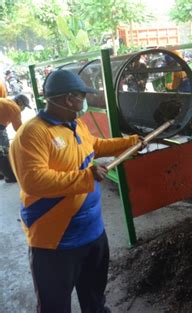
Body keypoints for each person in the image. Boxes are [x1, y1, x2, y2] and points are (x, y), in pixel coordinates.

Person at [9, 69, 144, 313]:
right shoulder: (33, 134)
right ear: (68, 98)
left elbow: (95, 145)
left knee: (94, 295)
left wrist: (129, 143)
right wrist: (86, 176)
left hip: (92, 231)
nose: (85, 101)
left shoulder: (75, 124)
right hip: (55, 241)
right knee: (55, 305)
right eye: (82, 96)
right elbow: (33, 181)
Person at [0, 94, 30, 182]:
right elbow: (19, 129)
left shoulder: (6, 101)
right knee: (3, 151)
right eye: (24, 106)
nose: (23, 109)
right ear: (20, 102)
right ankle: (10, 176)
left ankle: (1, 173)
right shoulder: (15, 108)